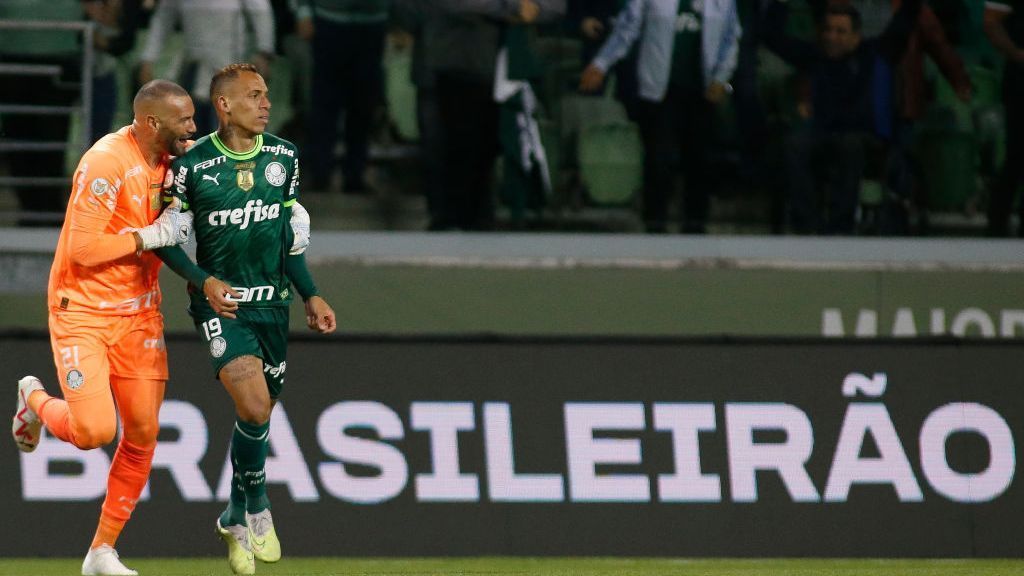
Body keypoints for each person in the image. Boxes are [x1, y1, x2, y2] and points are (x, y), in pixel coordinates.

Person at [155, 62, 335, 576]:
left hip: (273, 305)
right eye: (254, 96)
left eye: (267, 96)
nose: (266, 104)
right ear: (225, 105)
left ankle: (233, 514)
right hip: (222, 306)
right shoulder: (192, 166)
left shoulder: (284, 157)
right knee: (255, 406)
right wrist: (204, 281)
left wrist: (311, 295)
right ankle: (257, 505)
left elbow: (289, 241)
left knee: (255, 418)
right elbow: (166, 240)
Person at [11, 80, 197, 576]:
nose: (193, 129)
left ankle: (101, 553)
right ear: (153, 122)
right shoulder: (105, 162)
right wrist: (150, 235)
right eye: (184, 121)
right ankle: (33, 399)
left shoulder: (176, 160)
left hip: (140, 314)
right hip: (83, 311)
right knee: (94, 432)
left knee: (142, 432)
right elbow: (83, 250)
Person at [580, 0, 742, 234]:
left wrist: (721, 78)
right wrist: (601, 64)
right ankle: (655, 225)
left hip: (702, 91)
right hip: (658, 90)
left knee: (699, 162)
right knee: (658, 161)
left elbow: (731, 37)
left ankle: (695, 227)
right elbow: (627, 28)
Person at [763, 0, 922, 234]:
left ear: (857, 35)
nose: (832, 37)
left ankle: (840, 227)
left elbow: (905, 22)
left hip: (867, 139)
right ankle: (807, 225)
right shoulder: (816, 56)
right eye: (828, 30)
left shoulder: (877, 53)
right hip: (825, 135)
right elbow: (772, 37)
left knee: (850, 145)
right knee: (793, 145)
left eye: (840, 31)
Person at [138, 0, 276, 136]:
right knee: (191, 136)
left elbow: (261, 13)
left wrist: (264, 52)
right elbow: (163, 18)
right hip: (194, 72)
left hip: (232, 72)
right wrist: (147, 59)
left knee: (234, 136)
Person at [984, 0, 1024, 236]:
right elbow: (990, 22)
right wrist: (1017, 54)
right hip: (1021, 84)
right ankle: (997, 224)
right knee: (1018, 155)